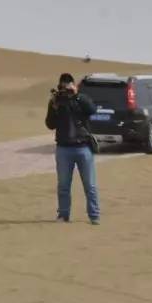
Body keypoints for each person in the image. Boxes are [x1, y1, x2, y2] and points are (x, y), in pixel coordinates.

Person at [45, 73, 99, 225]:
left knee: (90, 185)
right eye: (62, 87)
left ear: (74, 86)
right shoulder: (56, 101)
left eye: (67, 87)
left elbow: (92, 109)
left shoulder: (81, 99)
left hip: (83, 147)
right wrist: (54, 107)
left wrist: (76, 96)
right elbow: (50, 124)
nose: (65, 91)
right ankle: (63, 215)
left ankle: (94, 215)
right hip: (63, 149)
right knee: (63, 185)